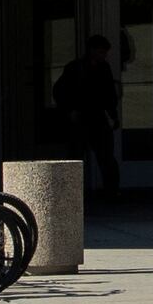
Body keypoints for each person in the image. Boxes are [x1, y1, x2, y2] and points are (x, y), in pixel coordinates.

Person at [57, 34, 122, 201]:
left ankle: (112, 192)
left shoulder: (104, 68)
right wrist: (70, 110)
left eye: (104, 53)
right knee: (75, 157)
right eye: (101, 52)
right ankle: (72, 195)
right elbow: (60, 91)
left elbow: (109, 94)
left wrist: (113, 115)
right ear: (92, 50)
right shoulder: (75, 68)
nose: (103, 56)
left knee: (106, 156)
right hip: (80, 117)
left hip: (97, 117)